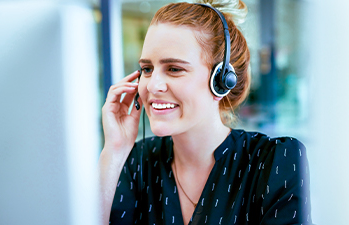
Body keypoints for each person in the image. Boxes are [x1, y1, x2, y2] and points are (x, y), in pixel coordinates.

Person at [99, 0, 312, 224]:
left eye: (174, 69)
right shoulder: (136, 161)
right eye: (147, 69)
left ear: (221, 80)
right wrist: (114, 150)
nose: (152, 86)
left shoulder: (276, 162)